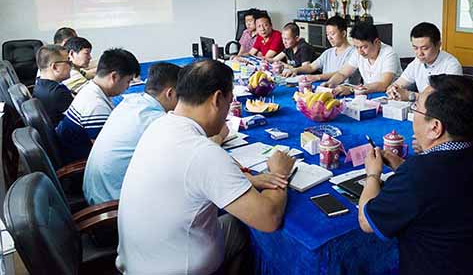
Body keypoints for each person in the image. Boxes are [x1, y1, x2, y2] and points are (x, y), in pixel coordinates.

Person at [117, 60, 296, 275]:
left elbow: (188, 174)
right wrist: (279, 172)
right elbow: (269, 219)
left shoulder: (159, 125)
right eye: (230, 101)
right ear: (218, 99)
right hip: (176, 267)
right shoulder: (204, 153)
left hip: (139, 259)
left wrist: (248, 180)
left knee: (232, 220)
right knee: (247, 228)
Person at [359, 75, 473, 275]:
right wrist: (402, 166)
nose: (414, 114)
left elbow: (366, 222)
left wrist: (373, 173)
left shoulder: (420, 173)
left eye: (416, 109)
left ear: (435, 127)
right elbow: (445, 184)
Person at [83, 62, 181, 205]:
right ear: (170, 93)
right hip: (112, 205)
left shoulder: (132, 102)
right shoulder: (154, 120)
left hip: (98, 192)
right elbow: (188, 155)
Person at [56, 48, 140, 164]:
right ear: (114, 77)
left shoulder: (90, 90)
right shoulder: (96, 106)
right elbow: (107, 154)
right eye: (128, 81)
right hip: (83, 166)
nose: (128, 87)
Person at [387, 22, 462, 102]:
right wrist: (393, 89)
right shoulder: (417, 62)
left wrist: (411, 96)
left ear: (438, 45)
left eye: (425, 48)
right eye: (415, 48)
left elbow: (445, 101)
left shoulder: (451, 65)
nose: (419, 53)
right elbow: (398, 83)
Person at [323, 22, 399, 96]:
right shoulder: (358, 52)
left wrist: (351, 89)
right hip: (367, 95)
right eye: (356, 47)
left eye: (364, 47)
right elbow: (342, 74)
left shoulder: (389, 54)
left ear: (377, 42)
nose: (360, 52)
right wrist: (330, 83)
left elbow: (383, 85)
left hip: (389, 98)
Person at [282, 15, 356, 82]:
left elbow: (342, 73)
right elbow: (311, 67)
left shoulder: (354, 53)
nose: (329, 38)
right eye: (327, 34)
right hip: (326, 88)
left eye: (332, 34)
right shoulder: (328, 52)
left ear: (343, 33)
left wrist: (318, 77)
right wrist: (295, 70)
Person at [32, 45, 73, 126]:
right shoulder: (59, 92)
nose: (71, 65)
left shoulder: (39, 84)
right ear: (55, 67)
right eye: (68, 62)